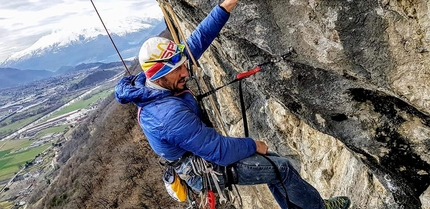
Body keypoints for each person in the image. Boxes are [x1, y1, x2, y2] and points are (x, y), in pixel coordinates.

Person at [115, 0, 350, 208]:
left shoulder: (151, 81)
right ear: (160, 76)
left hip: (201, 148)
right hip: (204, 167)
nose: (186, 72)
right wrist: (252, 144)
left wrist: (225, 6)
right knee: (281, 168)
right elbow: (219, 151)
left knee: (276, 166)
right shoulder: (168, 116)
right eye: (179, 70)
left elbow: (197, 42)